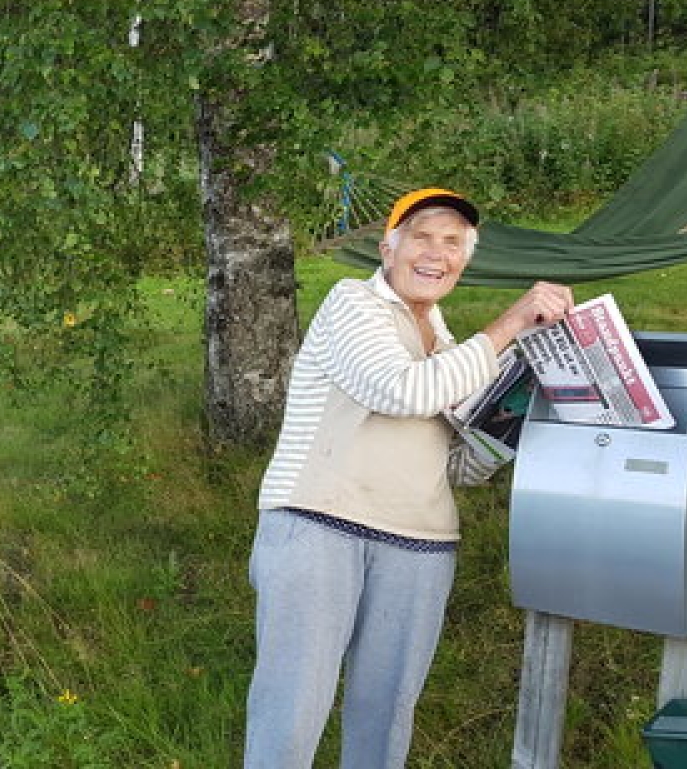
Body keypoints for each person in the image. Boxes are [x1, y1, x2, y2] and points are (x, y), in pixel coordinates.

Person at [242, 188, 575, 769]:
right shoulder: (352, 304)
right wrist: (509, 326)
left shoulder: (449, 348)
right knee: (290, 711)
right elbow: (402, 392)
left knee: (387, 715)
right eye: (421, 237)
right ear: (388, 248)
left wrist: (516, 413)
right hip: (318, 523)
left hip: (420, 542)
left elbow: (457, 466)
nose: (436, 253)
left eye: (452, 242)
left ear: (463, 260)